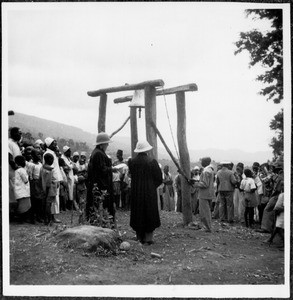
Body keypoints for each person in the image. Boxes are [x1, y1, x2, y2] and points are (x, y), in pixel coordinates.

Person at [128, 140, 163, 244]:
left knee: (138, 213)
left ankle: (139, 237)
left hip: (136, 192)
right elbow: (159, 178)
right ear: (147, 149)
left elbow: (131, 176)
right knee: (149, 213)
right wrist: (151, 187)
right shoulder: (152, 161)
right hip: (149, 192)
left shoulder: (132, 162)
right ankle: (148, 239)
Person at [86, 132, 115, 220]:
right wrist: (112, 169)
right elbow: (102, 170)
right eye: (107, 144)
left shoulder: (97, 152)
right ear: (102, 144)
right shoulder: (98, 154)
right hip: (101, 186)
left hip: (99, 185)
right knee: (101, 206)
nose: (107, 145)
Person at [191, 157, 215, 232]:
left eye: (202, 161)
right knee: (207, 211)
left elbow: (205, 184)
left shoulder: (205, 171)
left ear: (205, 162)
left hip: (204, 194)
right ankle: (208, 226)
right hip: (209, 193)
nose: (201, 162)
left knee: (204, 211)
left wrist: (195, 183)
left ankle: (207, 227)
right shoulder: (210, 170)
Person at [43, 137, 62, 223]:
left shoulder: (53, 153)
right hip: (52, 180)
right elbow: (50, 168)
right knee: (51, 200)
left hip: (55, 179)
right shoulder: (47, 154)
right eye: (54, 143)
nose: (55, 145)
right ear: (49, 145)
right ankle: (51, 217)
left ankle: (53, 217)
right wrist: (55, 180)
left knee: (54, 199)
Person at [40, 153, 58, 225]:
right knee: (48, 205)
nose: (52, 161)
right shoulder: (48, 170)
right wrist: (47, 190)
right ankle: (49, 220)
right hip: (49, 190)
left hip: (45, 189)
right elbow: (48, 182)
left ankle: (46, 219)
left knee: (46, 205)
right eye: (52, 159)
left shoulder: (42, 168)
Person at [9, 127, 22, 214]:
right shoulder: (9, 143)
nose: (20, 135)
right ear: (13, 133)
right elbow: (9, 157)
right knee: (12, 193)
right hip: (12, 171)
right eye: (19, 133)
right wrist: (16, 167)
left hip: (17, 172)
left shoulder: (15, 144)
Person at [14, 155, 31, 222]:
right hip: (23, 190)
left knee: (21, 205)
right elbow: (25, 180)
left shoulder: (17, 170)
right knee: (24, 206)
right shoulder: (22, 170)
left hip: (19, 190)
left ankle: (21, 218)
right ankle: (22, 219)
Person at [29, 149, 44, 223]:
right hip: (34, 183)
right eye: (37, 154)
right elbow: (30, 176)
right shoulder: (31, 164)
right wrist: (33, 185)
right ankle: (32, 218)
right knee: (34, 201)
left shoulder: (40, 164)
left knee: (39, 201)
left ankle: (39, 216)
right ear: (33, 155)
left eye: (40, 154)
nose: (39, 156)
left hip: (40, 182)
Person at [61, 146, 77, 210]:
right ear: (66, 152)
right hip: (66, 176)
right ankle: (67, 206)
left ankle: (70, 205)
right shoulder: (63, 158)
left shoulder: (68, 158)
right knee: (67, 191)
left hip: (70, 175)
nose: (70, 152)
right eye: (69, 151)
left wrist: (71, 166)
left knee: (71, 190)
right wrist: (71, 166)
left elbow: (71, 165)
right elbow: (67, 167)